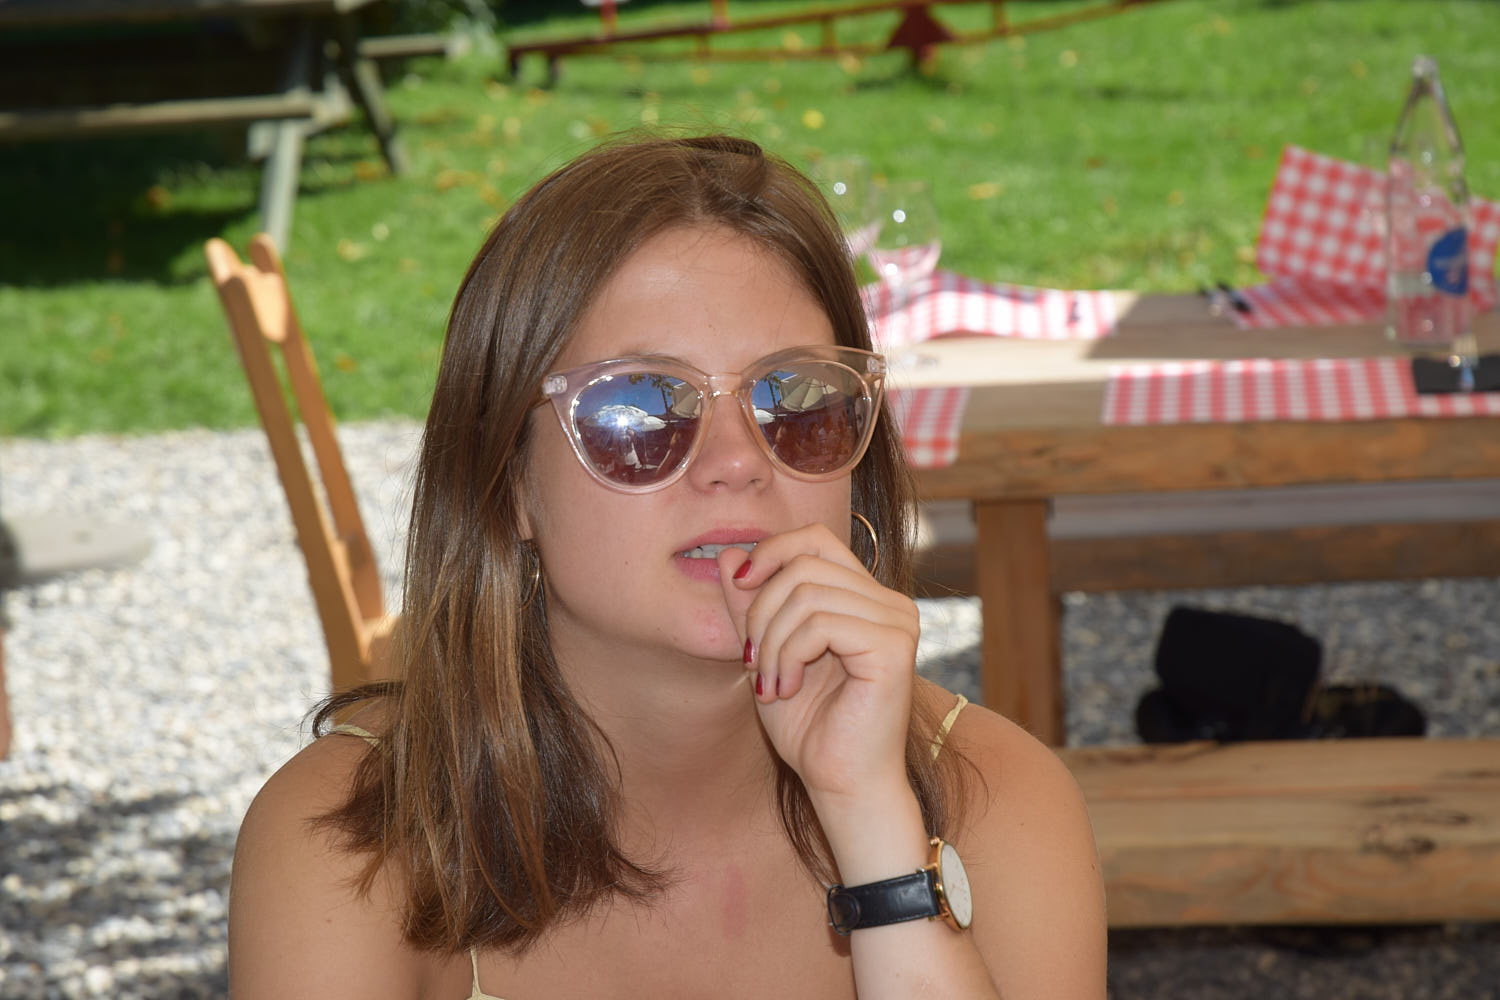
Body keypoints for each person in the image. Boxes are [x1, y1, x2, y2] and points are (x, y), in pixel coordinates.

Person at [229, 133, 1106, 998]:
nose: (738, 461)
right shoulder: (346, 847)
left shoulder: (1003, 804)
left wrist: (874, 826)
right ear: (508, 486)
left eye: (796, 402)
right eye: (640, 411)